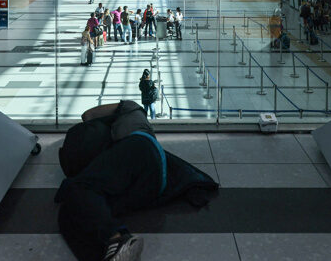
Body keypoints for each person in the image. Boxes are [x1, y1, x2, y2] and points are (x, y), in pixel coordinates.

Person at [55, 100, 218, 261]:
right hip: (151, 186)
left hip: (139, 147)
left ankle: (117, 237)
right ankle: (112, 255)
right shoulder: (132, 122)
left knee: (78, 187)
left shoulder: (130, 106)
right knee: (71, 211)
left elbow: (88, 115)